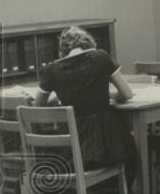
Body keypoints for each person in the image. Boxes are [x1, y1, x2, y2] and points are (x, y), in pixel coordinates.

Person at [33, 26, 137, 178]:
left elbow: (37, 108)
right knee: (131, 144)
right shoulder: (101, 57)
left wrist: (61, 97)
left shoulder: (51, 70)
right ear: (88, 44)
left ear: (62, 49)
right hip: (107, 145)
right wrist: (105, 94)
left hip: (73, 151)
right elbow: (126, 93)